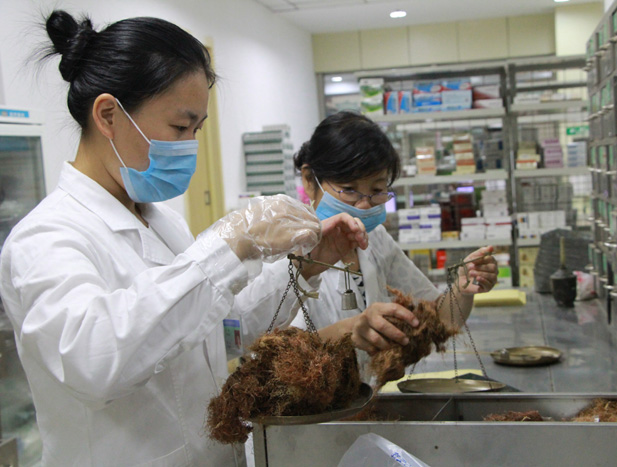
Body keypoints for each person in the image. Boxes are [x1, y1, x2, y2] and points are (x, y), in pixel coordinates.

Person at [0, 11, 367, 466]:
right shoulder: (46, 238)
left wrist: (303, 266)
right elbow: (95, 363)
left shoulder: (163, 223)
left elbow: (221, 330)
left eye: (197, 129)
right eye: (179, 127)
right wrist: (229, 245)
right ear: (109, 115)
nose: (189, 144)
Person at [289, 111, 498, 379]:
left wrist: (461, 289)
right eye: (349, 189)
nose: (364, 205)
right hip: (308, 402)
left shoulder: (375, 239)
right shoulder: (285, 247)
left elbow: (440, 319)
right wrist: (349, 330)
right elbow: (276, 355)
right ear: (310, 180)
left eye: (376, 191)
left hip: (364, 398)